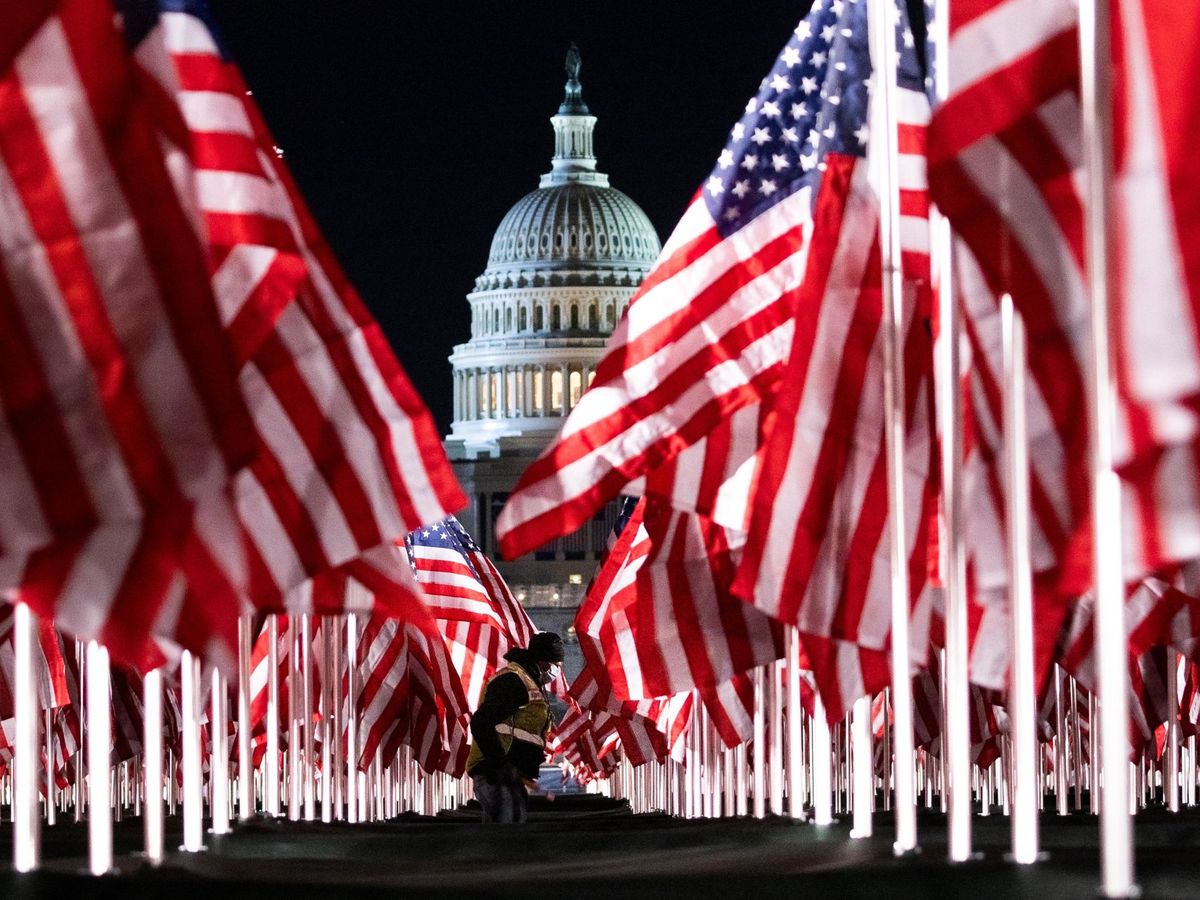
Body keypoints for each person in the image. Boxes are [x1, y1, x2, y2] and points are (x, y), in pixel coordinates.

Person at [466, 632, 565, 823]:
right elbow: (481, 723)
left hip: (509, 776)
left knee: (511, 836)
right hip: (495, 774)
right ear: (545, 662)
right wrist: (500, 764)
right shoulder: (514, 681)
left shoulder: (527, 681)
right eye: (556, 666)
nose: (556, 672)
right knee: (506, 841)